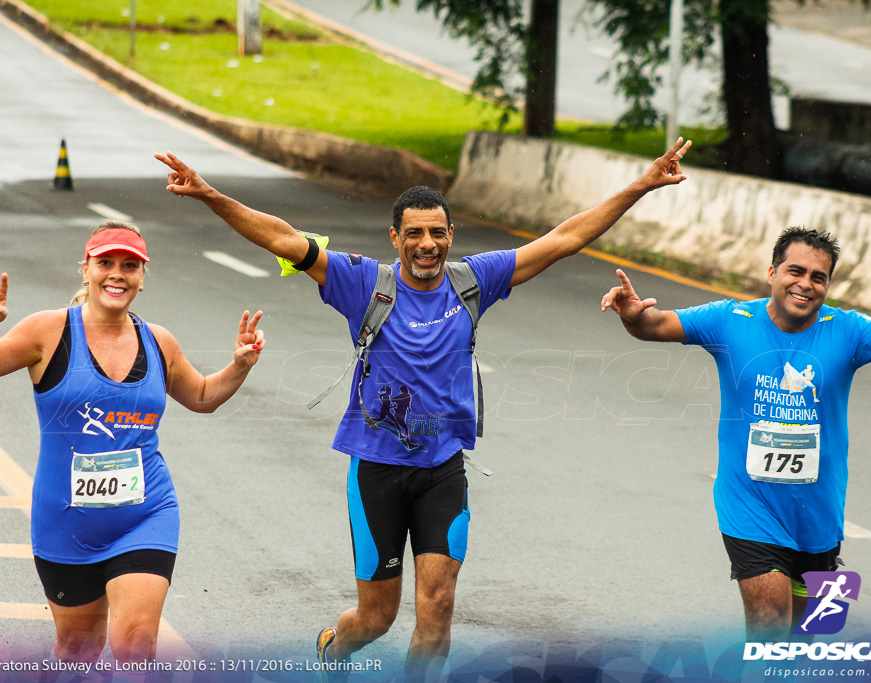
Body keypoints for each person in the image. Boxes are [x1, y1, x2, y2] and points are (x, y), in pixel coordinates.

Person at [154, 138, 691, 677]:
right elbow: (284, 239)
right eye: (415, 233)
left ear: (451, 236)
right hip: (377, 472)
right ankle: (332, 649)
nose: (427, 244)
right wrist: (207, 194)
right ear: (395, 238)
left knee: (438, 605)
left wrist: (641, 185)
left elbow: (565, 238)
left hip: (442, 471)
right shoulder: (364, 282)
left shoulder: (475, 280)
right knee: (375, 620)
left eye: (437, 233)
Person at [599, 226, 871, 640]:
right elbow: (655, 324)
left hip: (818, 514)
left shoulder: (849, 329)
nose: (806, 284)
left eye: (819, 277)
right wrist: (634, 315)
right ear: (772, 272)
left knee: (805, 640)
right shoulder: (731, 319)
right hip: (749, 506)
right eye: (796, 271)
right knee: (769, 622)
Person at [0, 221, 265, 664]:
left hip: (145, 514)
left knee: (135, 646)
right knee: (77, 652)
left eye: (129, 266)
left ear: (142, 276)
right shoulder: (49, 331)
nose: (117, 274)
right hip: (66, 520)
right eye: (105, 263)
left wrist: (239, 366)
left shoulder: (159, 341)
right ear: (86, 269)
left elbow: (200, 397)